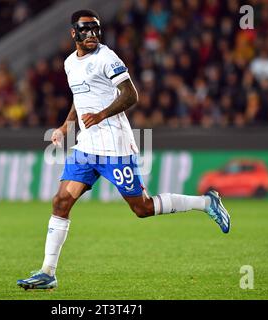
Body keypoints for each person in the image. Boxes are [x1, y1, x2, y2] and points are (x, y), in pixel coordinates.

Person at [17, 9, 230, 290]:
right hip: (86, 148)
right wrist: (66, 125)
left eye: (96, 29)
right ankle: (48, 272)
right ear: (73, 34)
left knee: (142, 208)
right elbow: (79, 97)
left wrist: (102, 115)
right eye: (85, 30)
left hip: (114, 146)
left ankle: (206, 203)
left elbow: (131, 94)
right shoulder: (70, 63)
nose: (92, 35)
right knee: (61, 202)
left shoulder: (107, 58)